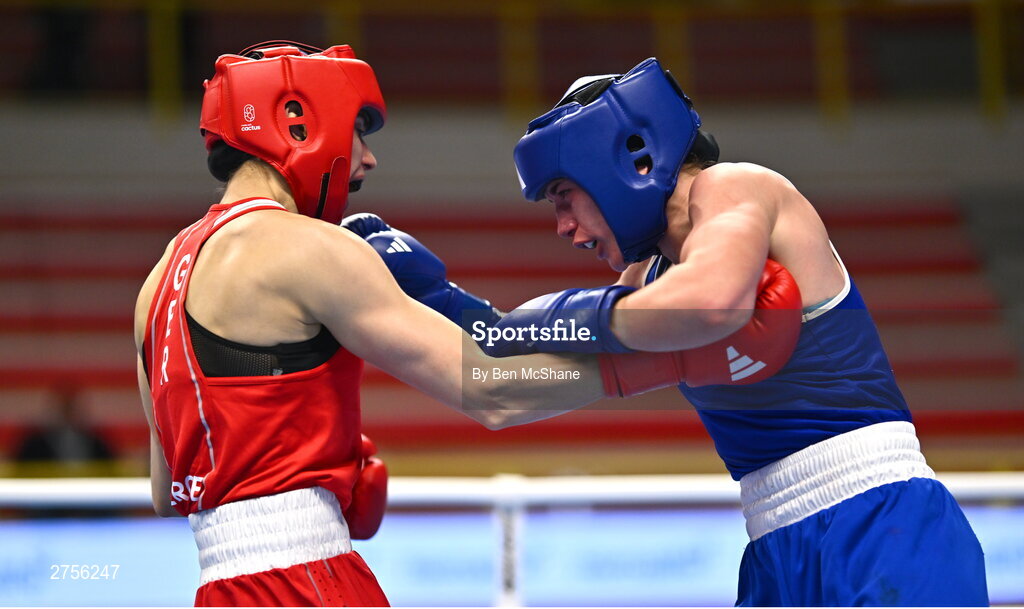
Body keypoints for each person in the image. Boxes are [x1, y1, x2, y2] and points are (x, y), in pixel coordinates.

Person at [134, 43, 803, 607]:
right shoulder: (309, 246)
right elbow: (491, 387)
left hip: (218, 584)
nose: (365, 160)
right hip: (308, 580)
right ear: (297, 120)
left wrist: (301, 458)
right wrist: (672, 359)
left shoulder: (158, 279)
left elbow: (169, 491)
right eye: (359, 131)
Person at [352, 58, 989, 605]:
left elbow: (712, 304)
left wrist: (573, 320)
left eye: (564, 197)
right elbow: (508, 391)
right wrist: (445, 308)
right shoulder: (645, 283)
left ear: (625, 160)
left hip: (882, 523)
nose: (564, 229)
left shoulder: (737, 188)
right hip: (775, 544)